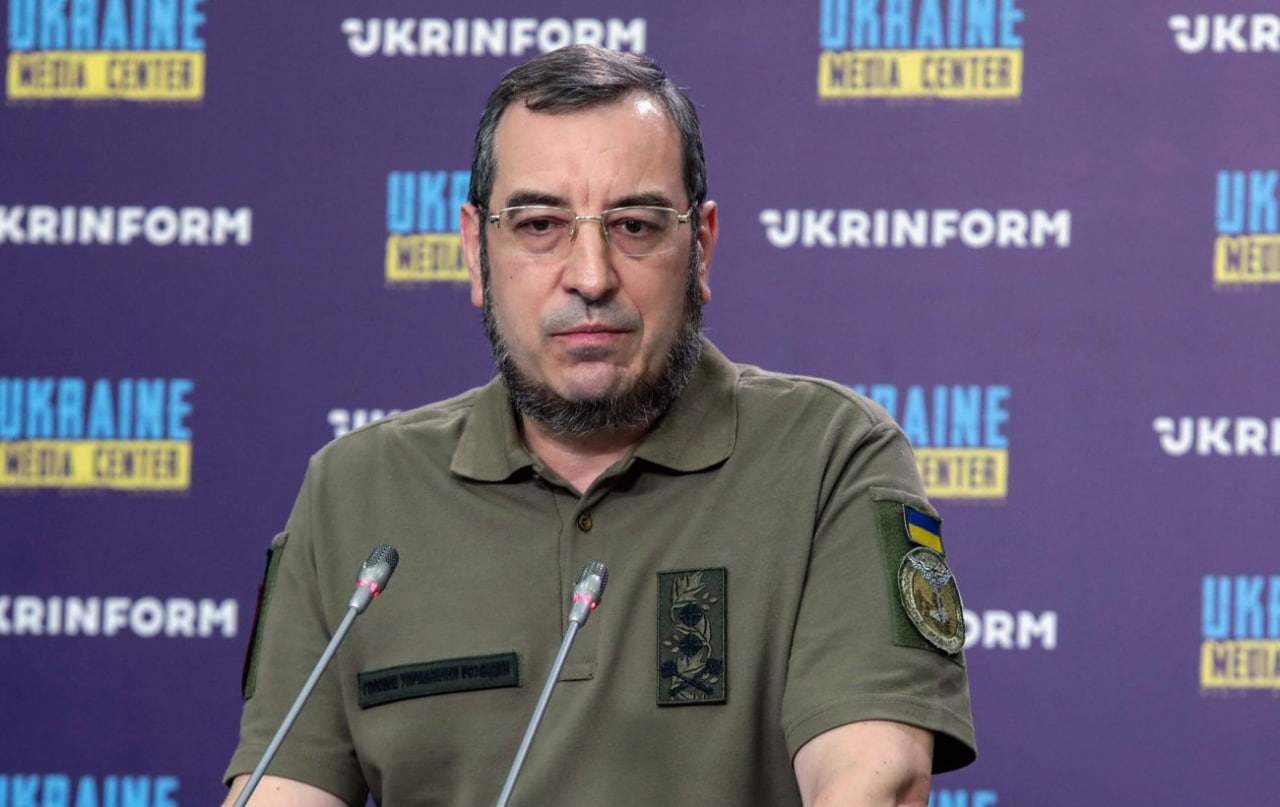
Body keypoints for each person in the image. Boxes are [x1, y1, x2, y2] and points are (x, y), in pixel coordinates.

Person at [222, 44, 975, 806]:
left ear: (701, 246)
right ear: (476, 253)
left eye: (635, 225)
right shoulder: (353, 494)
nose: (590, 275)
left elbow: (873, 780)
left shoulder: (830, 457)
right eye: (540, 224)